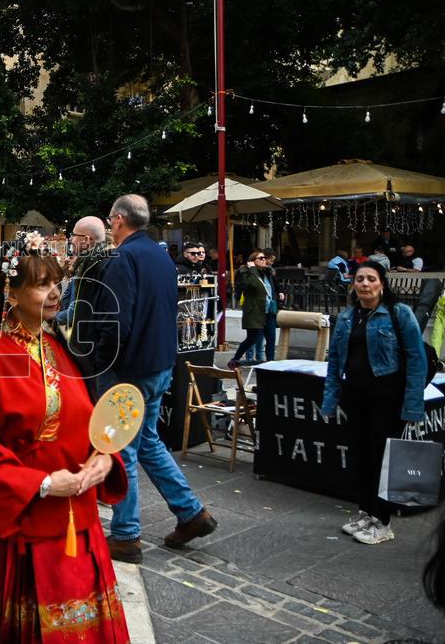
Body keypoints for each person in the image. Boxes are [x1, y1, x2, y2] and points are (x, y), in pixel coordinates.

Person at [0, 233, 130, 643]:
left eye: (56, 282)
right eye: (41, 284)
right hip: (24, 527)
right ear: (11, 293)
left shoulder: (62, 348)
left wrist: (105, 457)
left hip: (79, 523)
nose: (54, 293)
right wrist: (45, 484)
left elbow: (89, 421)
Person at [95, 194, 216, 564]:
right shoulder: (161, 256)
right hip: (160, 363)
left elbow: (117, 322)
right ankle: (191, 512)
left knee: (123, 449)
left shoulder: (123, 257)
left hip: (130, 369)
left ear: (117, 220)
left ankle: (126, 534)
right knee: (147, 441)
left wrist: (99, 359)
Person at [321, 261, 426, 544]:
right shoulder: (347, 317)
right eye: (359, 279)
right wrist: (329, 401)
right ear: (353, 284)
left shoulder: (398, 313)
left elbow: (417, 359)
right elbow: (334, 361)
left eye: (370, 279)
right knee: (361, 457)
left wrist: (413, 405)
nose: (365, 284)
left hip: (387, 398)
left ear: (382, 283)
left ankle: (383, 521)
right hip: (355, 397)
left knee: (382, 459)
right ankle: (366, 511)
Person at [60, 216, 113, 399]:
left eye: (74, 235)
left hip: (93, 352)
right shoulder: (90, 262)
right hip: (89, 348)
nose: (70, 239)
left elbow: (82, 309)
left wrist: (49, 319)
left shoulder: (98, 264)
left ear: (87, 240)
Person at [229, 250, 281, 366]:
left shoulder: (267, 273)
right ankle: (235, 359)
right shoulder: (246, 273)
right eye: (260, 258)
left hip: (269, 311)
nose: (264, 260)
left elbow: (272, 288)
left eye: (264, 258)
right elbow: (253, 284)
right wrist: (252, 269)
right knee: (252, 339)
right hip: (255, 312)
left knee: (271, 339)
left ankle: (270, 364)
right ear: (252, 261)